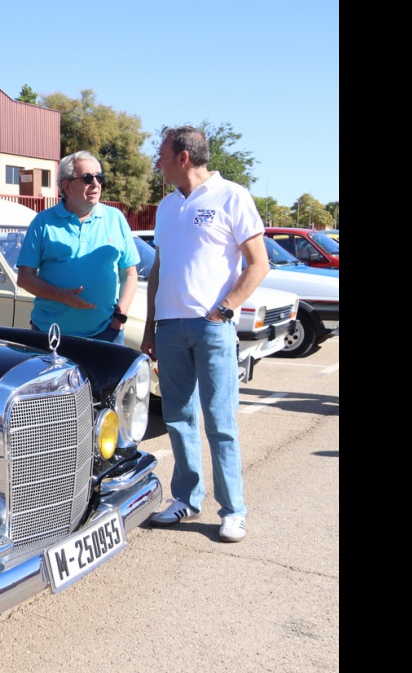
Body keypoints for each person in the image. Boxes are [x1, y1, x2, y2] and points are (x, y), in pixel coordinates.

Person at [142, 126, 269, 543]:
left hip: (212, 329)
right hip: (170, 327)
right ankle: (186, 498)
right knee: (178, 418)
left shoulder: (232, 196)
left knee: (220, 421)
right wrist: (150, 326)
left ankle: (233, 510)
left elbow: (258, 264)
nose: (156, 163)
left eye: (161, 156)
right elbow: (159, 269)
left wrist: (224, 310)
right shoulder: (166, 206)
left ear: (183, 158)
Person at [16, 151, 138, 343]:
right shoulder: (43, 222)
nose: (96, 184)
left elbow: (130, 274)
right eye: (88, 178)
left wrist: (119, 318)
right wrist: (61, 296)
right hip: (50, 334)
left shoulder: (115, 218)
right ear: (67, 186)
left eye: (99, 178)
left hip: (106, 334)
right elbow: (24, 278)